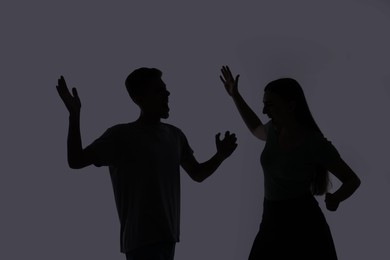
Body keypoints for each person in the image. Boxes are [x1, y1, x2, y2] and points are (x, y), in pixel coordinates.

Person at [56, 67, 238, 260]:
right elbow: (76, 160)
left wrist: (220, 156)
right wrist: (74, 115)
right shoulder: (121, 135)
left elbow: (197, 174)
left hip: (168, 238)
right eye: (158, 90)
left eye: (165, 89)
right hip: (140, 242)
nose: (167, 93)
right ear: (139, 98)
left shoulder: (175, 135)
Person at [219, 65, 360, 259]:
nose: (264, 110)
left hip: (304, 224)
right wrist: (235, 95)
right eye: (263, 104)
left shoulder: (314, 142)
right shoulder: (272, 132)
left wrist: (336, 198)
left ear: (291, 106)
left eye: (270, 105)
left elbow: (352, 179)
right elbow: (255, 127)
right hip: (270, 219)